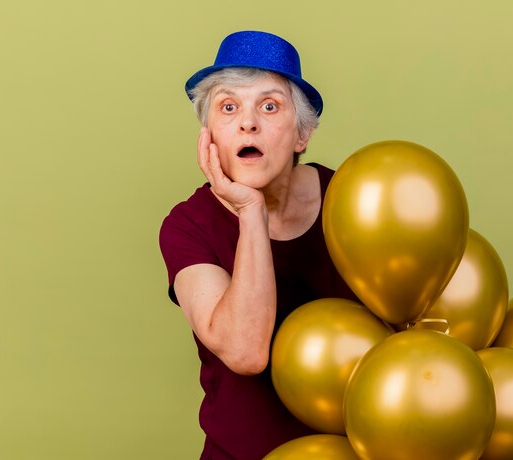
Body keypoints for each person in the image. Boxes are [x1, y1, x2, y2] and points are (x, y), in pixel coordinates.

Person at [159, 30, 358, 460]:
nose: (248, 122)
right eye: (228, 108)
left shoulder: (353, 201)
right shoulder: (186, 226)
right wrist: (251, 211)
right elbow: (246, 352)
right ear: (209, 134)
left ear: (301, 135)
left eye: (269, 106)